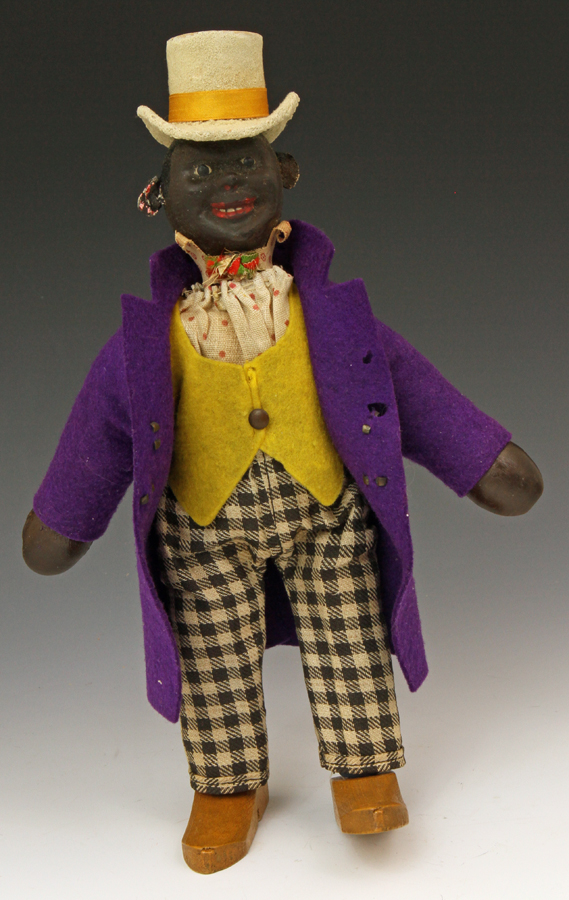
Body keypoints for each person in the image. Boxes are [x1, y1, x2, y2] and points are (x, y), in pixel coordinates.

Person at [22, 31, 543, 875]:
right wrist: (64, 519)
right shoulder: (143, 346)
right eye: (199, 171)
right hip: (202, 529)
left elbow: (405, 388)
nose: (226, 185)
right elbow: (100, 430)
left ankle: (364, 767)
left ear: (285, 173)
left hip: (325, 515)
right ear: (157, 195)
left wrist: (482, 459)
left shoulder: (336, 320)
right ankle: (227, 786)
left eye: (246, 164)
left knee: (348, 631)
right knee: (211, 652)